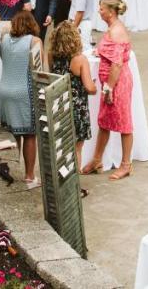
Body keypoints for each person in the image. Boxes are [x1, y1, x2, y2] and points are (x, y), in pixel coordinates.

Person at [83, 0, 135, 180]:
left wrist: (109, 89)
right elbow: (110, 52)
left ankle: (126, 165)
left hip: (117, 83)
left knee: (124, 122)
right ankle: (97, 159)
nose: (99, 11)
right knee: (104, 121)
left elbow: (118, 64)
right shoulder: (112, 28)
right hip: (110, 83)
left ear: (111, 12)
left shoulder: (117, 31)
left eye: (102, 8)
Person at [47, 21, 96, 191]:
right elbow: (89, 88)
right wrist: (95, 86)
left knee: (61, 145)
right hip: (77, 108)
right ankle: (73, 186)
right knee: (76, 148)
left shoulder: (51, 55)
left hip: (59, 104)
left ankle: (60, 180)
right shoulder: (80, 59)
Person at [0, 11, 43, 188]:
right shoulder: (34, 41)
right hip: (24, 91)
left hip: (4, 89)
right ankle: (30, 175)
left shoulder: (3, 40)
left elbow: (3, 59)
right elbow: (39, 69)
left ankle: (12, 170)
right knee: (30, 134)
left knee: (13, 133)